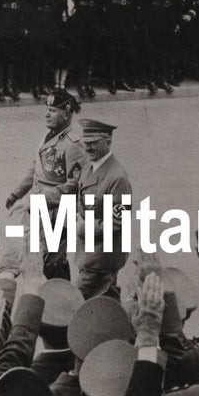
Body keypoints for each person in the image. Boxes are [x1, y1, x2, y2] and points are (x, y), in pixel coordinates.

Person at [2, 90, 86, 279]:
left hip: (57, 213)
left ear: (67, 114)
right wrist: (17, 193)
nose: (47, 114)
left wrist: (38, 200)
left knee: (53, 261)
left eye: (54, 110)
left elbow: (74, 185)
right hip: (38, 210)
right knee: (36, 257)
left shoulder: (74, 144)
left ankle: (61, 299)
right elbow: (35, 169)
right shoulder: (49, 136)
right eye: (47, 109)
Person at [69, 118, 132, 300]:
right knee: (107, 302)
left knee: (75, 303)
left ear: (108, 142)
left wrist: (81, 227)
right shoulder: (89, 166)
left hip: (102, 258)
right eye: (85, 143)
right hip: (90, 254)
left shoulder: (117, 178)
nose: (87, 148)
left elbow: (117, 223)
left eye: (93, 144)